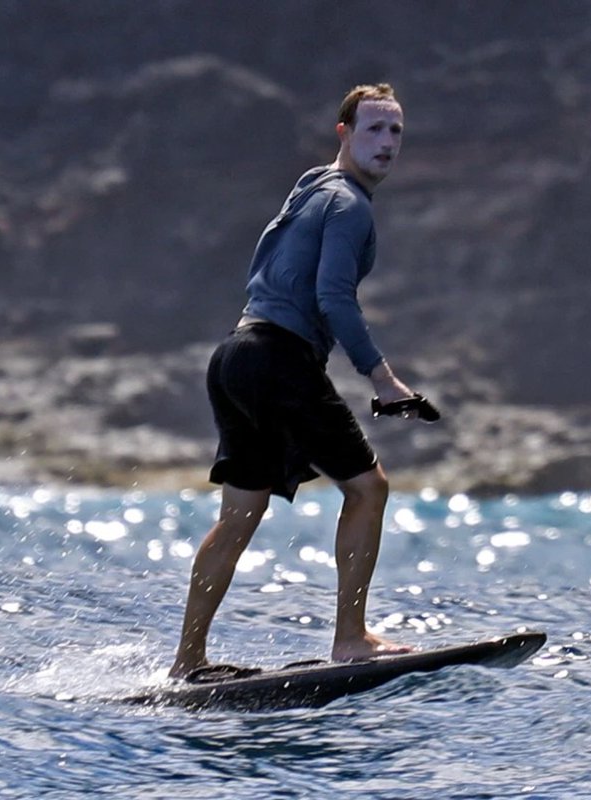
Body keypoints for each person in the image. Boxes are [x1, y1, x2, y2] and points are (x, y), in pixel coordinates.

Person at [169, 83, 430, 679]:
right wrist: (382, 378)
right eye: (373, 129)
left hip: (234, 355)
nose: (387, 143)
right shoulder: (350, 205)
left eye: (395, 132)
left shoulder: (310, 187)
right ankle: (351, 638)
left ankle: (188, 661)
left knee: (240, 514)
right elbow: (333, 297)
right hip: (279, 359)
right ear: (344, 133)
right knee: (368, 488)